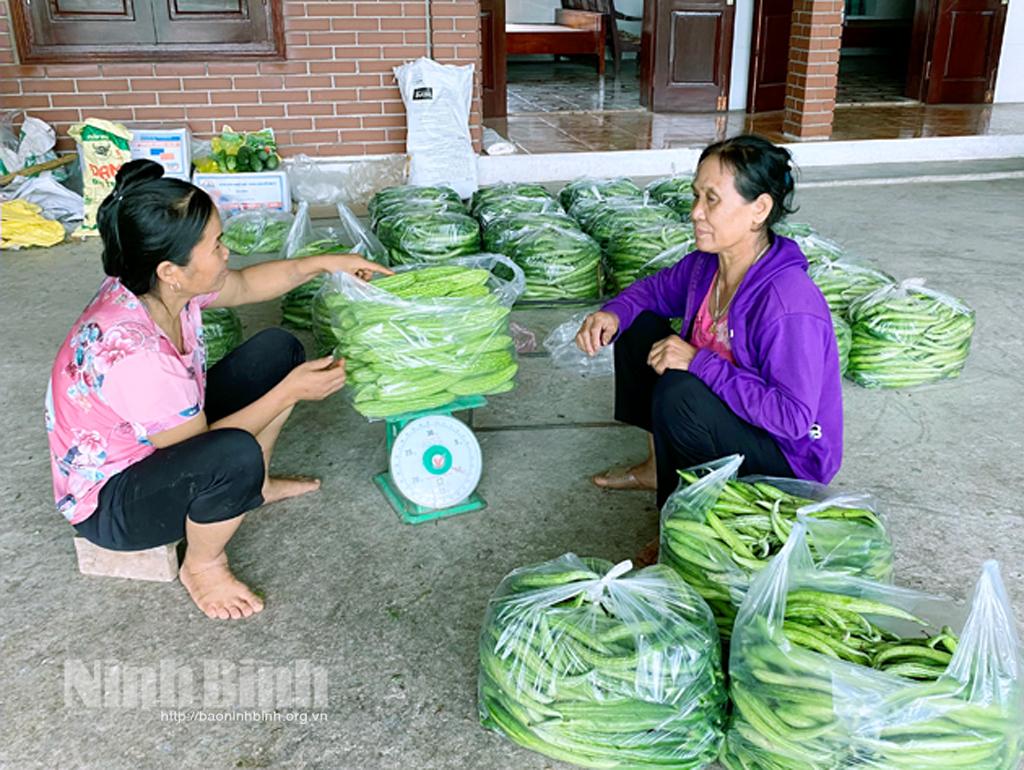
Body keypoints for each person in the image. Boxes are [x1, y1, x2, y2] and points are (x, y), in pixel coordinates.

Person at [46, 159, 390, 621]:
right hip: (111, 504)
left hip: (157, 443)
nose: (226, 253)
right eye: (217, 245)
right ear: (172, 269)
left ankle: (258, 486)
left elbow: (248, 284)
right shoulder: (134, 352)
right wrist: (290, 393)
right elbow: (204, 448)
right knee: (232, 458)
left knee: (278, 351)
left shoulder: (159, 286)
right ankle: (204, 565)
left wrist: (328, 264)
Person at [576, 134, 843, 511]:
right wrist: (612, 313)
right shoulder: (707, 265)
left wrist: (699, 364)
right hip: (731, 413)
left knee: (679, 393)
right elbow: (652, 291)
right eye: (696, 196)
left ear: (759, 209)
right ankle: (659, 467)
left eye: (712, 199)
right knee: (638, 327)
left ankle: (679, 523)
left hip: (787, 457)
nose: (696, 212)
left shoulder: (788, 304)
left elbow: (792, 418)